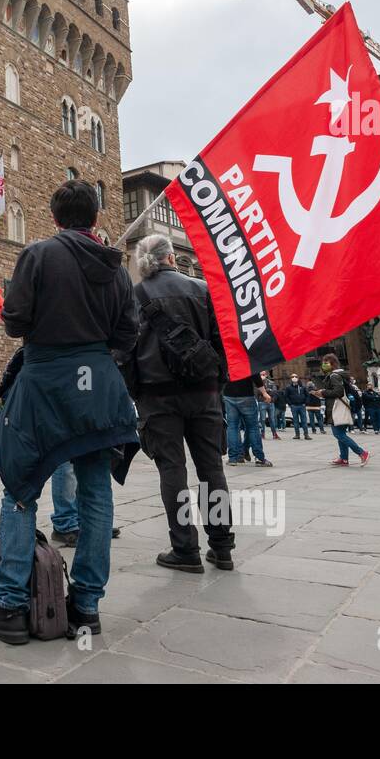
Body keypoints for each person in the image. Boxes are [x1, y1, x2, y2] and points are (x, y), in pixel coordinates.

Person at [0, 180, 138, 644]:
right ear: (95, 219)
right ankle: (86, 606)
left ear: (54, 218)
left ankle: (9, 606)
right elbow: (128, 335)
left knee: (20, 484)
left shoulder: (38, 255)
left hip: (47, 381)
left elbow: (15, 322)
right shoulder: (116, 268)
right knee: (95, 493)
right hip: (99, 387)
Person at [123, 233, 233, 575]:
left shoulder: (134, 296)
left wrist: (134, 391)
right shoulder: (201, 290)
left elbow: (124, 351)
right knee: (211, 468)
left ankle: (185, 548)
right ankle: (221, 546)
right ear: (171, 258)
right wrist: (217, 384)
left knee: (172, 470)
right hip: (204, 393)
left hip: (157, 396)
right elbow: (222, 342)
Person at [310, 353, 369, 467]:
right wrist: (323, 393)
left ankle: (362, 453)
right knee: (341, 433)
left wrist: (323, 392)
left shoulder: (334, 376)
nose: (324, 365)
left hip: (338, 408)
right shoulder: (338, 375)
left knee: (338, 434)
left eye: (326, 363)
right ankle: (344, 458)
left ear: (333, 364)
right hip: (340, 407)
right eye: (323, 363)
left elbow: (338, 392)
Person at [223, 373, 273, 467]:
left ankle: (233, 458)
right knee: (253, 427)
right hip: (246, 395)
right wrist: (264, 393)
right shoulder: (247, 360)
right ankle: (259, 458)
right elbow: (256, 377)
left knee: (232, 427)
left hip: (229, 395)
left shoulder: (226, 360)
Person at [283, 373, 310, 439]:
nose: (294, 377)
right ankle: (297, 435)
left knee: (304, 420)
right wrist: (290, 404)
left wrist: (305, 403)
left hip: (302, 406)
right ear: (291, 378)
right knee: (295, 421)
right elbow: (286, 396)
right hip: (294, 406)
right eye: (293, 377)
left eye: (295, 376)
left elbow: (307, 395)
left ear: (298, 378)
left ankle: (306, 435)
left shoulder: (302, 387)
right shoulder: (288, 387)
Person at [259, 371, 282, 440]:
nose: (262, 375)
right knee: (262, 419)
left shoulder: (271, 382)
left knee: (272, 419)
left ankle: (274, 434)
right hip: (262, 402)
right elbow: (257, 392)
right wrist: (267, 390)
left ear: (266, 375)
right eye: (261, 374)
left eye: (263, 374)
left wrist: (271, 399)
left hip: (270, 403)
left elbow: (275, 392)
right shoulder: (258, 383)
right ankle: (262, 434)